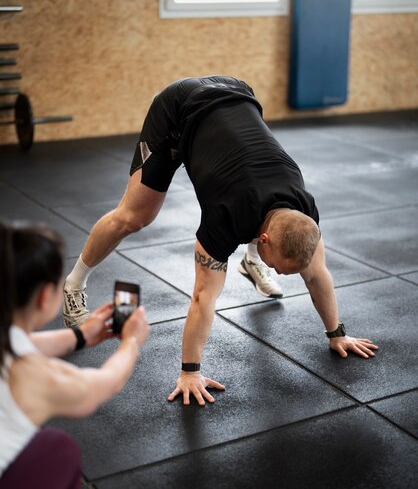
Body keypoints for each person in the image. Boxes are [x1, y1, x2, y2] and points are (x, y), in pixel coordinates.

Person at [63, 75, 377, 407]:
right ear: (264, 240)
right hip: (179, 112)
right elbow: (202, 298)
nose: (286, 275)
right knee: (134, 217)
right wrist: (189, 373)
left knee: (285, 241)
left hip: (238, 94)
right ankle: (74, 283)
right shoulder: (223, 219)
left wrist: (337, 335)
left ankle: (252, 263)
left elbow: (317, 275)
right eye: (278, 267)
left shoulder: (304, 216)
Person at [0, 221, 149, 489]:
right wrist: (131, 343)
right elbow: (101, 385)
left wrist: (84, 335)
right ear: (43, 298)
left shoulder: (10, 343)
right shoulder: (35, 377)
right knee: (59, 449)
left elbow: (23, 343)